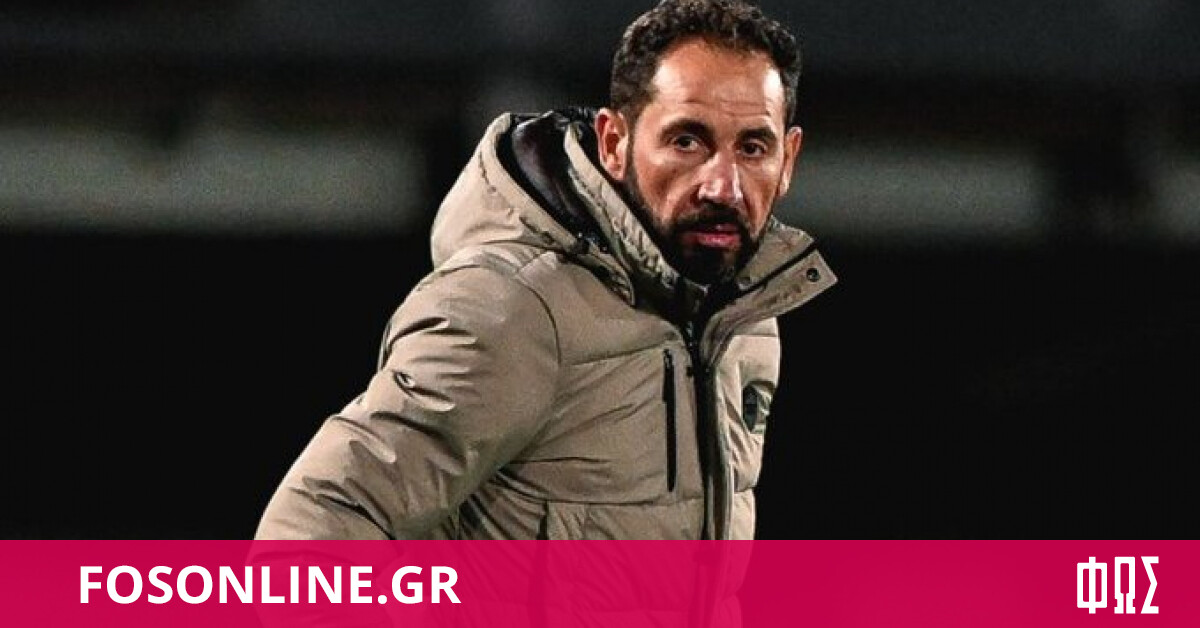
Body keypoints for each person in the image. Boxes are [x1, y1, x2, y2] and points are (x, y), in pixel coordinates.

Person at [256, 0, 835, 541]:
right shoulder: (513, 308)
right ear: (614, 142)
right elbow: (313, 528)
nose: (724, 186)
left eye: (753, 148)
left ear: (788, 158)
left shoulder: (742, 320)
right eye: (687, 141)